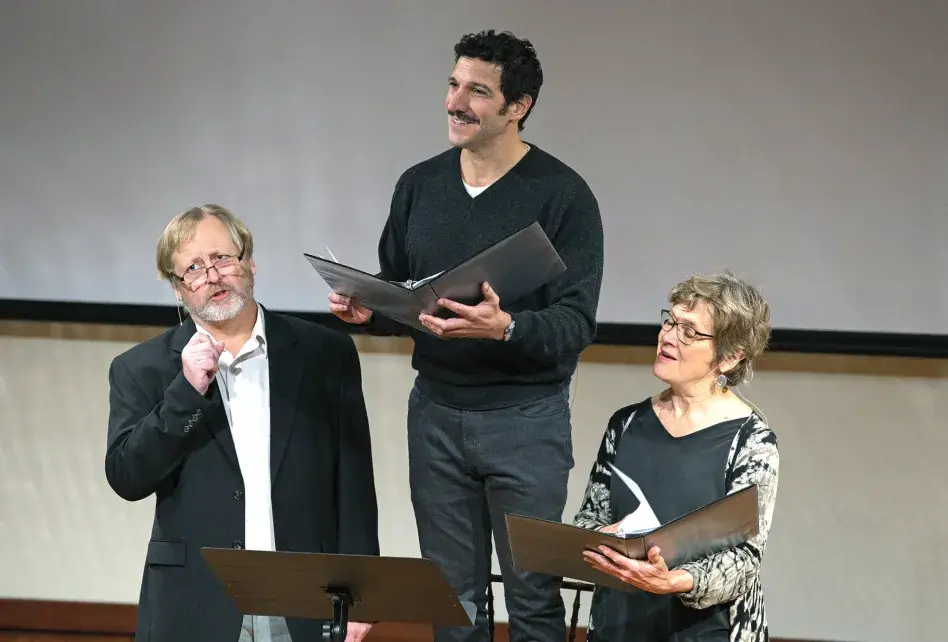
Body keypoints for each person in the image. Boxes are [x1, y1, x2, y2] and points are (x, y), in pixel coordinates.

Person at [329, 29, 604, 642]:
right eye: (453, 85)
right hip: (435, 413)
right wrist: (367, 310)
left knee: (533, 600)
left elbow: (576, 323)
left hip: (526, 419)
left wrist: (505, 327)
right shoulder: (419, 186)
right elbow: (403, 291)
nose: (456, 101)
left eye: (477, 91)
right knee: (454, 602)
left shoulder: (564, 196)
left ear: (518, 107)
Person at [105, 205, 379, 642]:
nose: (211, 276)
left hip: (303, 597)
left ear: (250, 263)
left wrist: (362, 594)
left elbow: (353, 481)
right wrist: (185, 392)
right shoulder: (142, 368)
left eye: (221, 258)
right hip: (193, 602)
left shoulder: (324, 353)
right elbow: (127, 477)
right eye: (192, 268)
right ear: (178, 290)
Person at [572, 269, 780, 642]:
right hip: (620, 625)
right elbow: (591, 518)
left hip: (705, 631)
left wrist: (673, 581)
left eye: (689, 332)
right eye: (670, 322)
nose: (668, 337)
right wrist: (602, 539)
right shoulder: (626, 423)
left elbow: (744, 560)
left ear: (730, 357)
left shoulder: (752, 440)